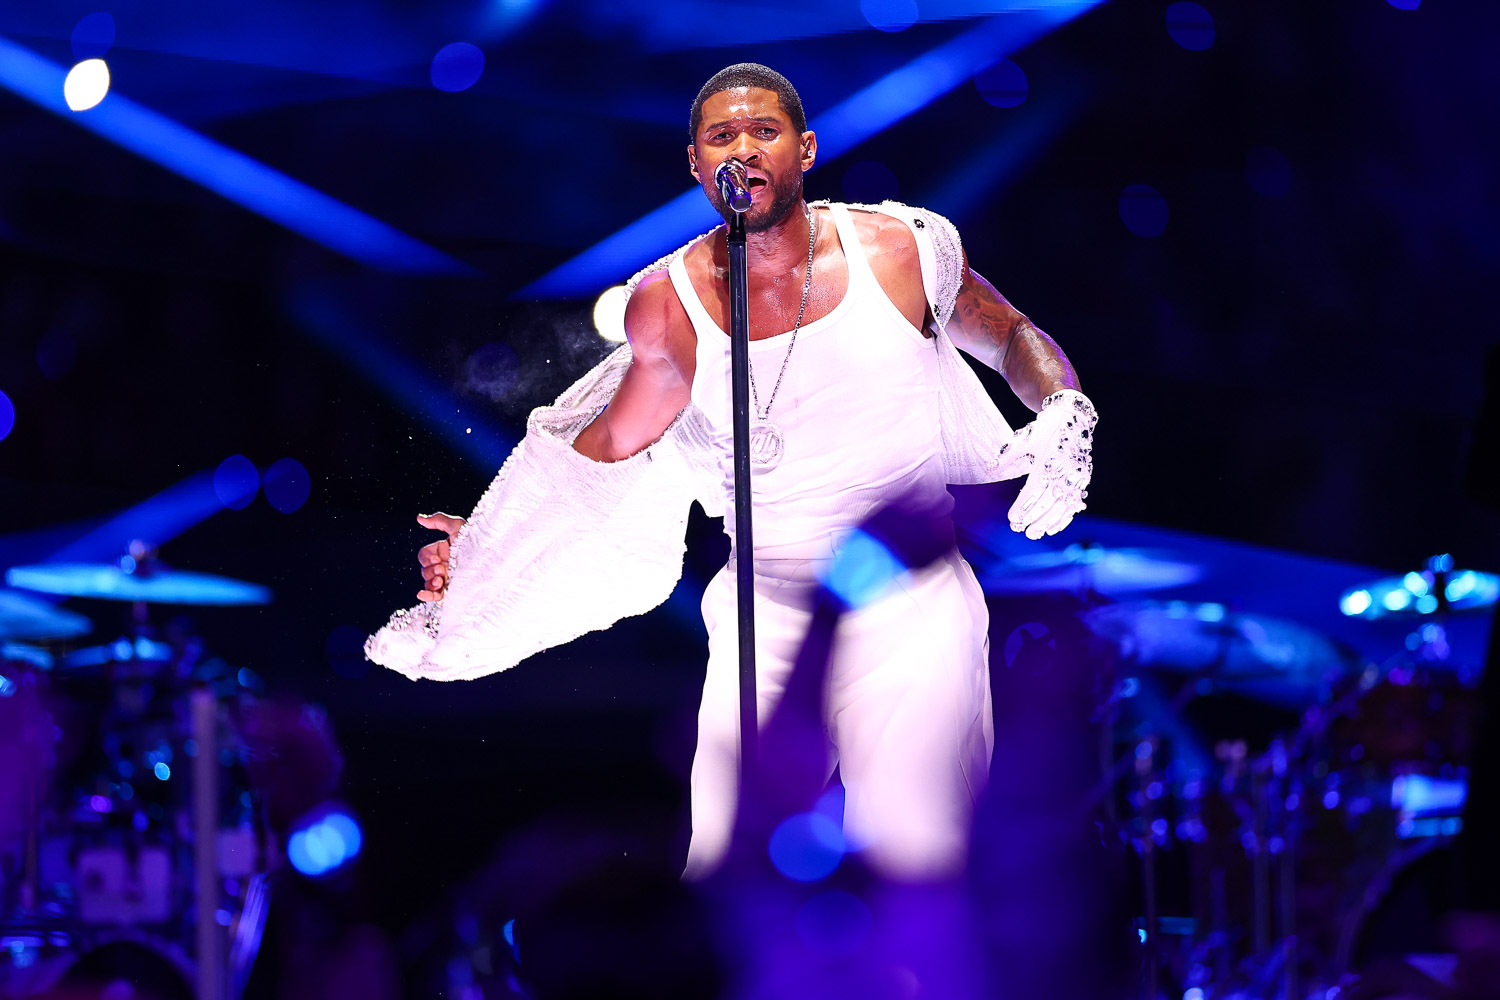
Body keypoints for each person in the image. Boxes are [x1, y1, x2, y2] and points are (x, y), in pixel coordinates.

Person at [367, 63, 1096, 881]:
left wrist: (1064, 409)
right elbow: (605, 453)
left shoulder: (899, 252)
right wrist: (491, 547)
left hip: (911, 606)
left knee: (919, 865)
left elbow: (1009, 335)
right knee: (724, 878)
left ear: (806, 148)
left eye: (764, 132)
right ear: (694, 163)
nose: (743, 150)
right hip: (766, 614)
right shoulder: (667, 304)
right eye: (722, 137)